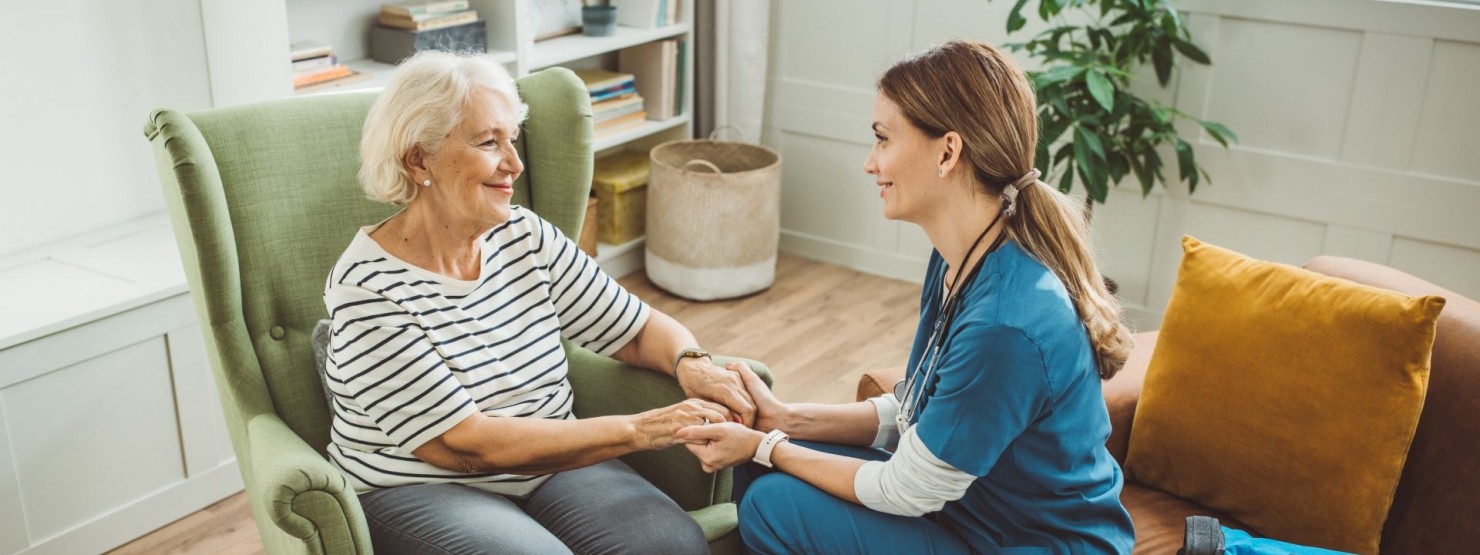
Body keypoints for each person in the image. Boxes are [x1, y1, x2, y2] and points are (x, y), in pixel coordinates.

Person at [678, 40, 1137, 553]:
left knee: (773, 500)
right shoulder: (958, 255)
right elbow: (921, 413)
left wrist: (768, 446)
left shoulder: (1007, 324)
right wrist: (785, 419)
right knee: (759, 470)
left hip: (1028, 543)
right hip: (969, 507)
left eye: (882, 139)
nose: (870, 163)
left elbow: (908, 487)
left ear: (947, 152)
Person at [323, 51, 755, 554]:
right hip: (421, 486)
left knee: (670, 546)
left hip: (549, 464)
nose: (514, 164)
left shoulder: (523, 235)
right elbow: (466, 446)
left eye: (512, 140)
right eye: (489, 143)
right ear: (419, 159)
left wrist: (691, 363)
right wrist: (640, 429)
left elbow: (633, 329)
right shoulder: (367, 288)